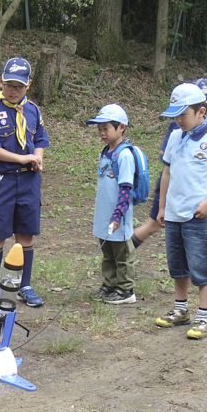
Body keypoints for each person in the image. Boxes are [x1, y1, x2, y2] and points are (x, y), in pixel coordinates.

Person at [131, 78, 207, 286]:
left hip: (194, 195)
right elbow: (166, 159)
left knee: (202, 232)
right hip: (172, 187)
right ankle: (122, 256)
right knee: (153, 225)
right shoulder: (179, 128)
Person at [155, 83, 207, 339]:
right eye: (175, 115)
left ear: (202, 111)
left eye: (183, 114)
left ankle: (204, 317)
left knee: (202, 268)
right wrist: (162, 206)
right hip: (174, 214)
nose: (178, 120)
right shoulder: (176, 137)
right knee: (177, 266)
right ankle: (181, 311)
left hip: (198, 217)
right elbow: (167, 172)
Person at [0, 58, 49, 309]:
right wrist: (22, 158)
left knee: (25, 234)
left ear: (28, 85)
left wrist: (37, 158)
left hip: (29, 180)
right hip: (1, 181)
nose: (13, 90)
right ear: (0, 81)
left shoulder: (33, 111)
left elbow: (40, 140)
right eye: (9, 84)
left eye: (19, 86)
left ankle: (24, 285)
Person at [86, 104, 137, 304]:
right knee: (107, 252)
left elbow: (126, 188)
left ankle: (125, 290)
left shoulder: (124, 155)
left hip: (118, 217)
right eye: (99, 129)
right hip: (104, 215)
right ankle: (109, 284)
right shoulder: (106, 152)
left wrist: (118, 215)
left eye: (106, 128)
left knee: (122, 253)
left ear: (121, 127)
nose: (101, 133)